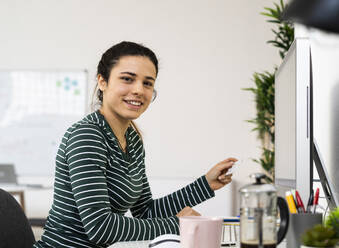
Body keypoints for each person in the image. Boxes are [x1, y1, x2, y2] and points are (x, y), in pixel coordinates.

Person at [33, 41, 237, 248]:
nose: (139, 90)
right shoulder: (87, 135)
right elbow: (101, 228)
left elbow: (146, 211)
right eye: (127, 79)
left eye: (147, 83)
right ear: (102, 82)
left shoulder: (132, 139)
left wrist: (204, 184)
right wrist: (178, 225)